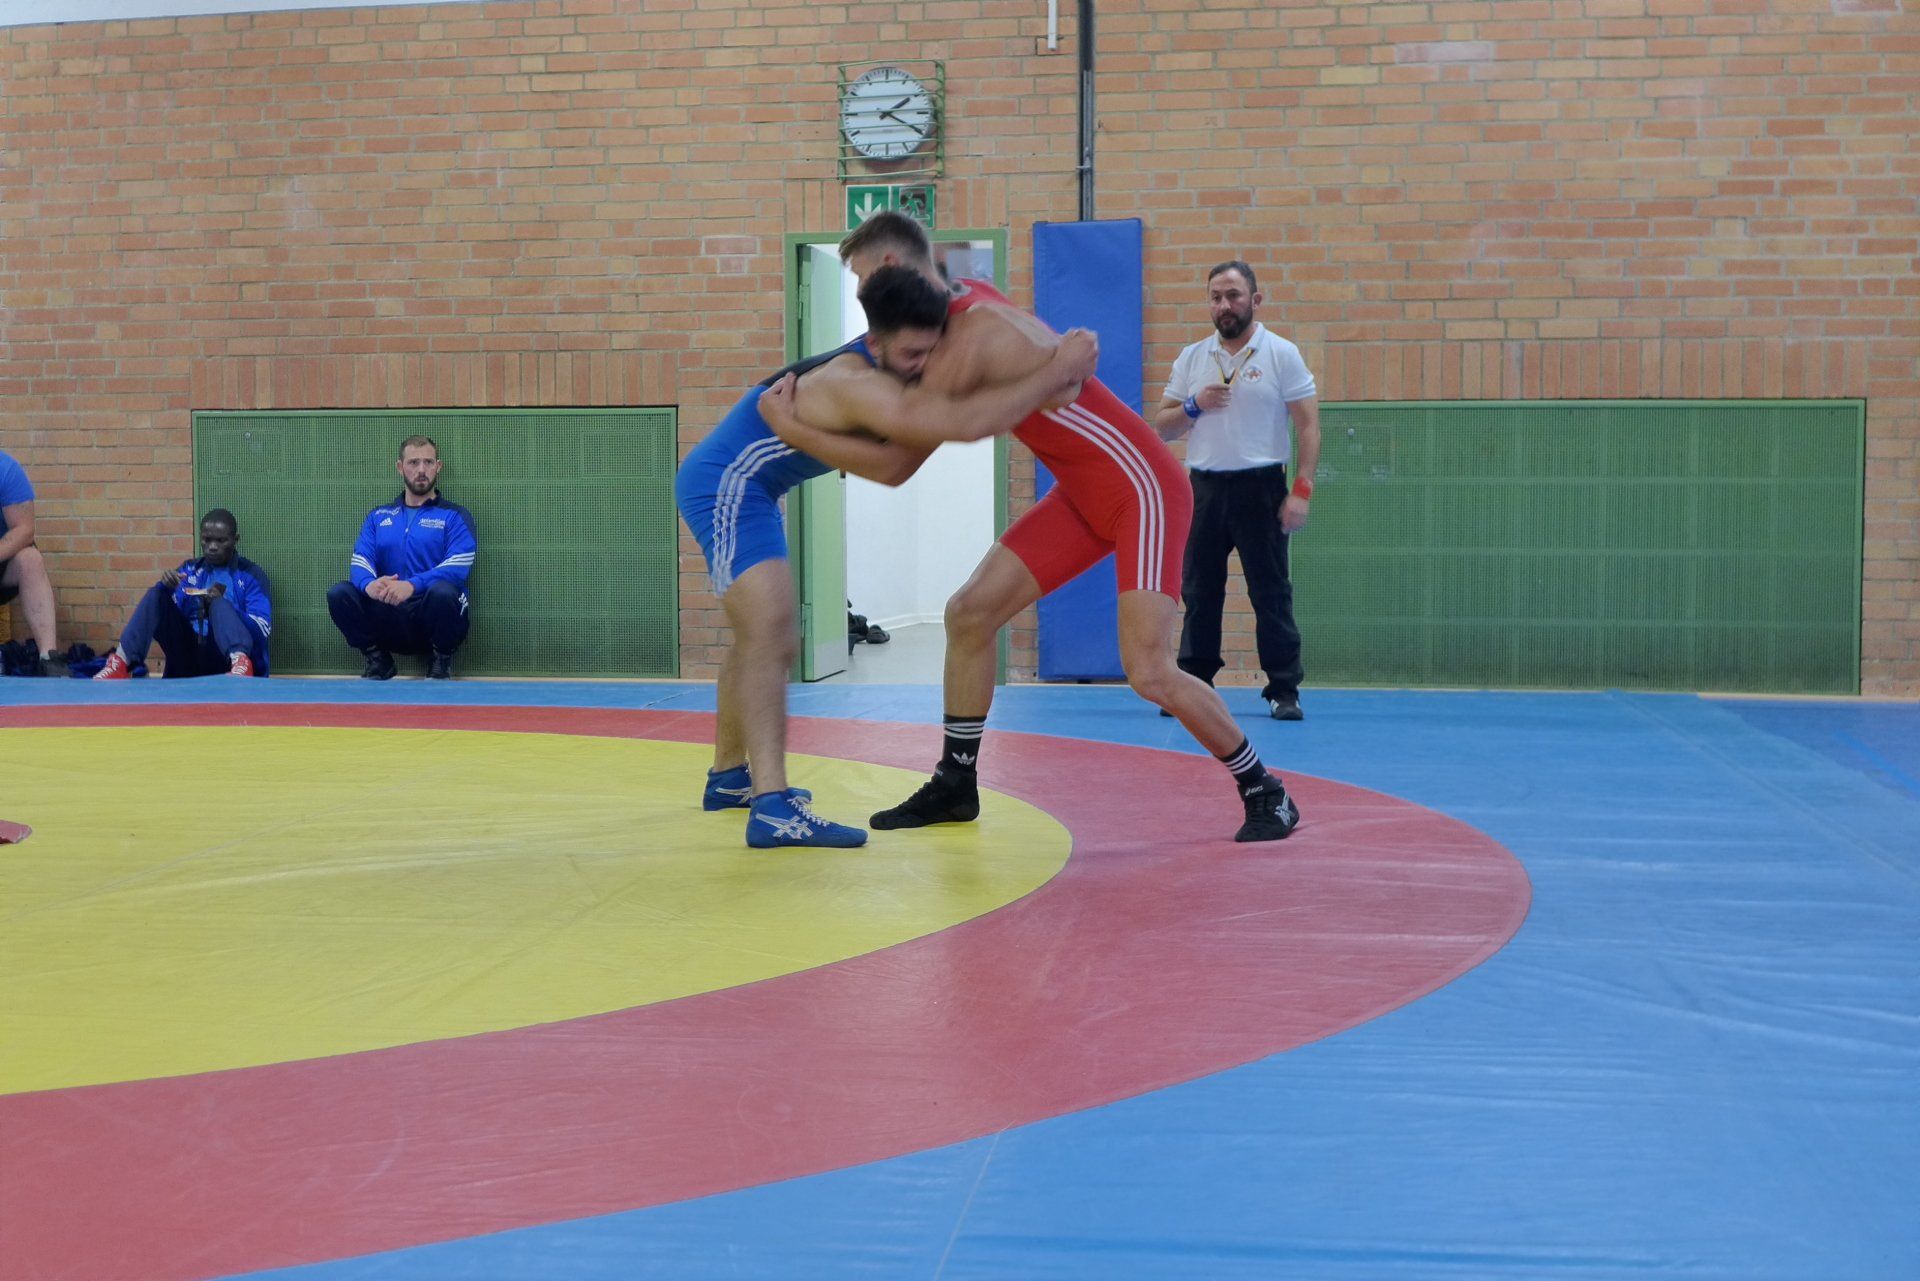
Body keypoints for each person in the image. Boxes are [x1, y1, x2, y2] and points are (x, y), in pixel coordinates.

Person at [761, 212, 1301, 843]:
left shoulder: (968, 337)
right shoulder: (961, 303)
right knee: (969, 614)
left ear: (889, 268)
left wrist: (791, 427)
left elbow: (896, 464)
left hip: (1144, 489)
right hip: (1085, 492)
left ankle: (1266, 790)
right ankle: (956, 782)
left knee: (1149, 670)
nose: (862, 301)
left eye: (860, 281)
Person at [679, 264, 1098, 850]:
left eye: (930, 351)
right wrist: (1058, 368)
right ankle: (772, 808)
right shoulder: (856, 381)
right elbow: (910, 457)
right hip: (726, 486)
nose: (921, 365)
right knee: (772, 636)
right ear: (874, 343)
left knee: (757, 633)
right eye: (910, 355)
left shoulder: (893, 356)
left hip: (756, 488)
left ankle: (729, 779)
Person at [1153, 260, 1320, 721]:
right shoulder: (1193, 357)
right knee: (1199, 591)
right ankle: (1194, 683)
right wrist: (1194, 404)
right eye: (1216, 297)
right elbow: (1163, 427)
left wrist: (1301, 489)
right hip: (1204, 488)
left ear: (1255, 300)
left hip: (1261, 487)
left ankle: (1284, 689)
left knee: (1270, 591)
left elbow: (1308, 426)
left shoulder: (1280, 353)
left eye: (1233, 295)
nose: (1224, 305)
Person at [325, 436, 476, 680]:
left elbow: (458, 566)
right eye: (413, 462)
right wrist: (370, 585)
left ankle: (440, 662)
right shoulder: (378, 516)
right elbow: (361, 560)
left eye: (428, 462)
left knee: (446, 593)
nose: (421, 470)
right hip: (389, 617)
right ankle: (378, 660)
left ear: (438, 467)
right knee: (339, 593)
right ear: (400, 467)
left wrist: (411, 585)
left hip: (431, 618)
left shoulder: (455, 516)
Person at [94, 509, 271, 679]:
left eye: (220, 541)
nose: (212, 547)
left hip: (224, 658)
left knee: (218, 603)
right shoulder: (189, 569)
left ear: (235, 540)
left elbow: (262, 627)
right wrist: (167, 588)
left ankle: (240, 663)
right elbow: (167, 618)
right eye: (207, 540)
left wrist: (225, 610)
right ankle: (121, 663)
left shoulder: (251, 575)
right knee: (157, 594)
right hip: (188, 656)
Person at [0, 448, 61, 675]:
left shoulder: (6, 469)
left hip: (3, 563)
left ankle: (48, 657)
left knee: (31, 559)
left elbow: (25, 530)